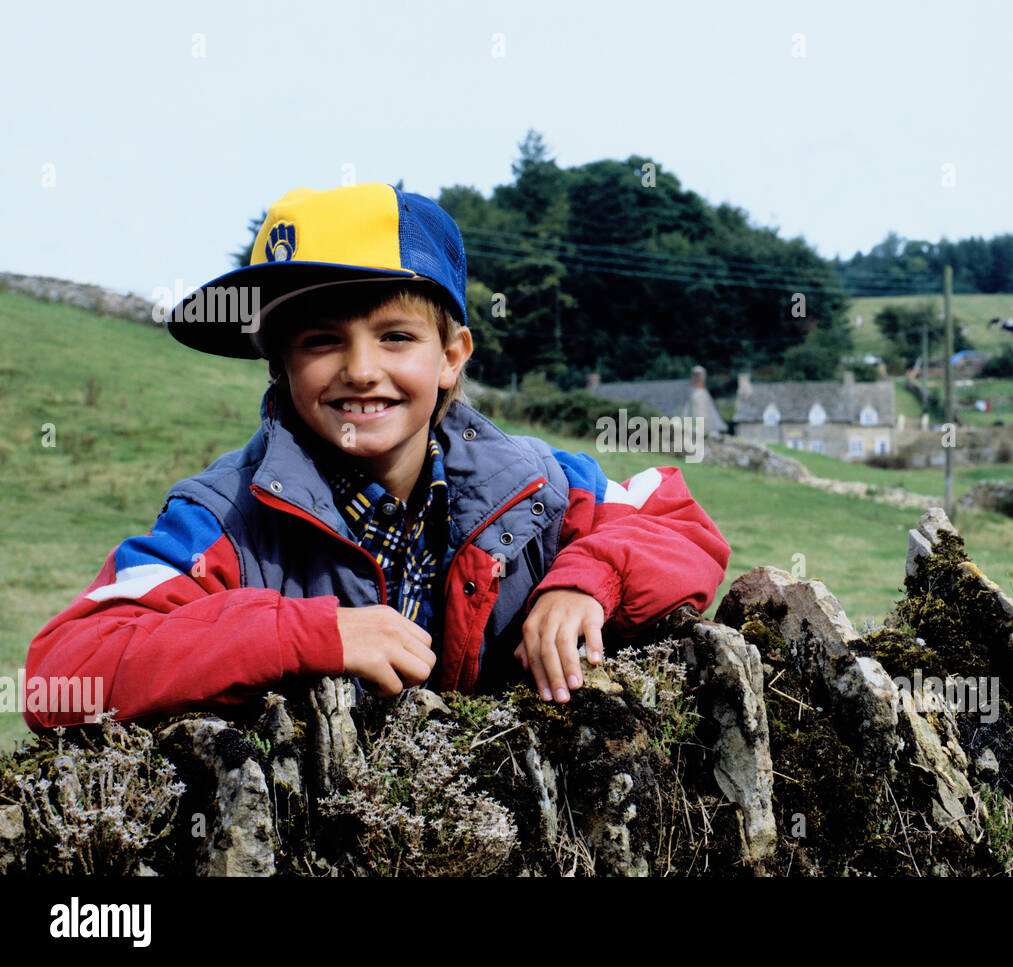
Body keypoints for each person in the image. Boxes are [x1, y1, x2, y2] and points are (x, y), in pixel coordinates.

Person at [23, 183, 731, 729]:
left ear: (452, 358)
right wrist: (306, 634)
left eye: (395, 336)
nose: (361, 370)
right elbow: (60, 673)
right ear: (280, 365)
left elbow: (677, 521)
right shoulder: (221, 522)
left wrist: (586, 579)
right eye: (322, 340)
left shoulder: (536, 485)